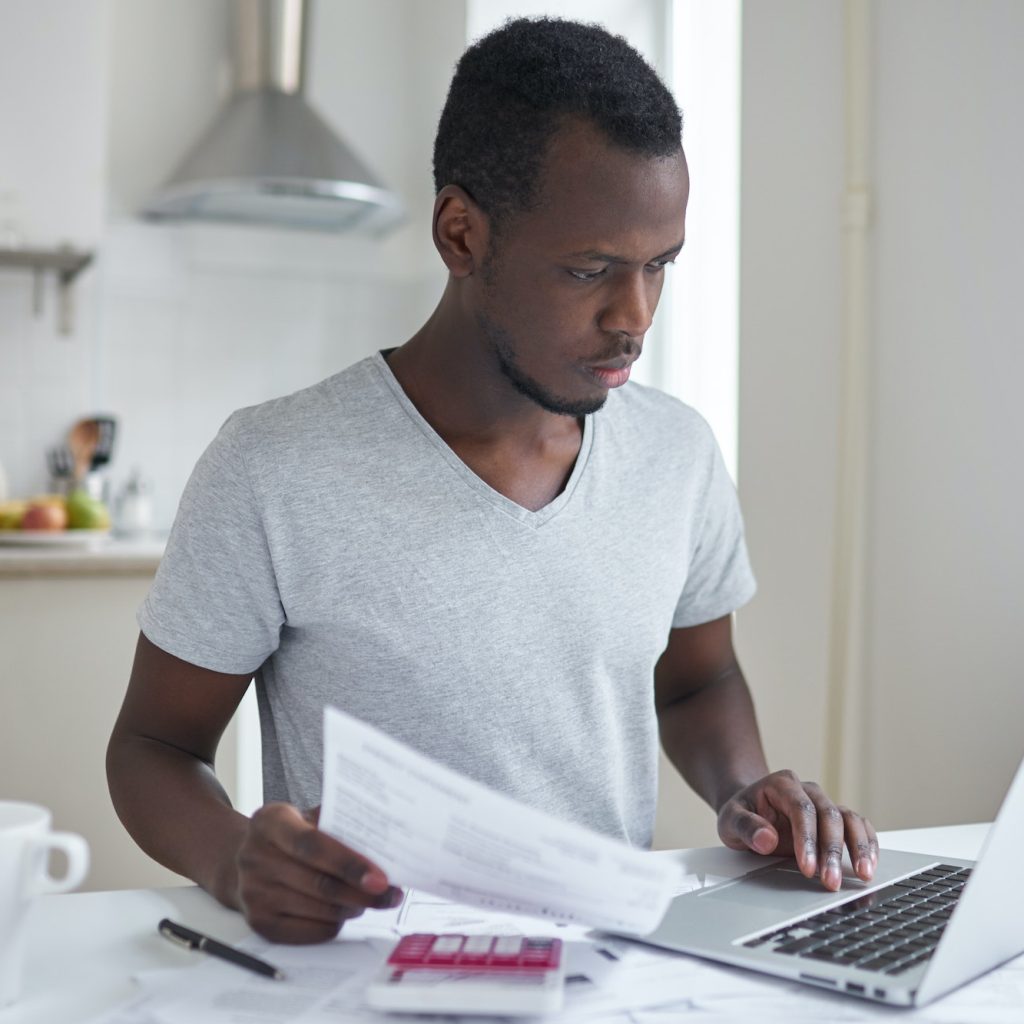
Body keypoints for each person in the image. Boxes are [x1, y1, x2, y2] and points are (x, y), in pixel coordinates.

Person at [107, 17, 877, 945]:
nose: (634, 318)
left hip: (604, 974)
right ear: (461, 233)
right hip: (363, 978)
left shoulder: (678, 454)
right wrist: (234, 859)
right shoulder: (276, 466)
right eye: (591, 269)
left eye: (660, 267)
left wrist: (747, 791)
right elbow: (154, 749)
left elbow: (697, 680)